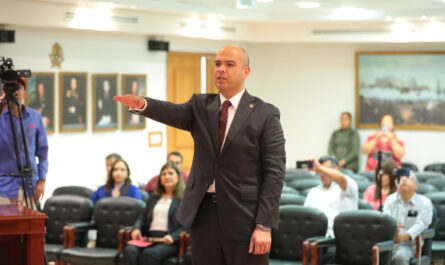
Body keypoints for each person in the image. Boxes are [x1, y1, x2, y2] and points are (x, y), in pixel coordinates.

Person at [115, 45, 286, 265]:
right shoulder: (201, 105)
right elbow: (172, 111)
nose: (221, 69)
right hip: (203, 213)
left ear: (246, 72)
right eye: (217, 64)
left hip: (245, 215)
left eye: (229, 64)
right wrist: (144, 104)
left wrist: (264, 225)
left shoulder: (265, 113)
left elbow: (275, 171)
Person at [124, 162, 185, 265]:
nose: (167, 176)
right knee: (130, 250)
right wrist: (136, 228)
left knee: (149, 254)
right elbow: (142, 217)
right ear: (160, 178)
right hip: (149, 238)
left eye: (171, 173)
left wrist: (173, 237)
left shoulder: (184, 198)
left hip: (169, 240)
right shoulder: (154, 197)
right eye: (164, 174)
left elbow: (188, 224)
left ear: (178, 177)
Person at [0, 77, 48, 206]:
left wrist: (42, 180)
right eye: (11, 88)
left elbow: (43, 153)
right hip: (3, 188)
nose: (15, 91)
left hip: (30, 187)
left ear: (25, 93)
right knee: (5, 226)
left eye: (18, 88)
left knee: (30, 226)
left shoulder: (35, 117)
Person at [383, 171, 433, 265]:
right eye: (401, 178)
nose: (404, 179)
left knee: (400, 256)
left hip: (409, 246)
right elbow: (387, 220)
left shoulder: (424, 202)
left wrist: (402, 237)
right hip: (389, 242)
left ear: (416, 186)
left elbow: (422, 223)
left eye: (408, 178)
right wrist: (394, 232)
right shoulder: (390, 199)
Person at [304, 155, 358, 238]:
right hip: (318, 238)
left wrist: (320, 168)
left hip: (343, 239)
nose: (323, 173)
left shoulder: (348, 186)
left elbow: (341, 178)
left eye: (326, 170)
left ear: (337, 169)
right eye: (320, 171)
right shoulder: (313, 192)